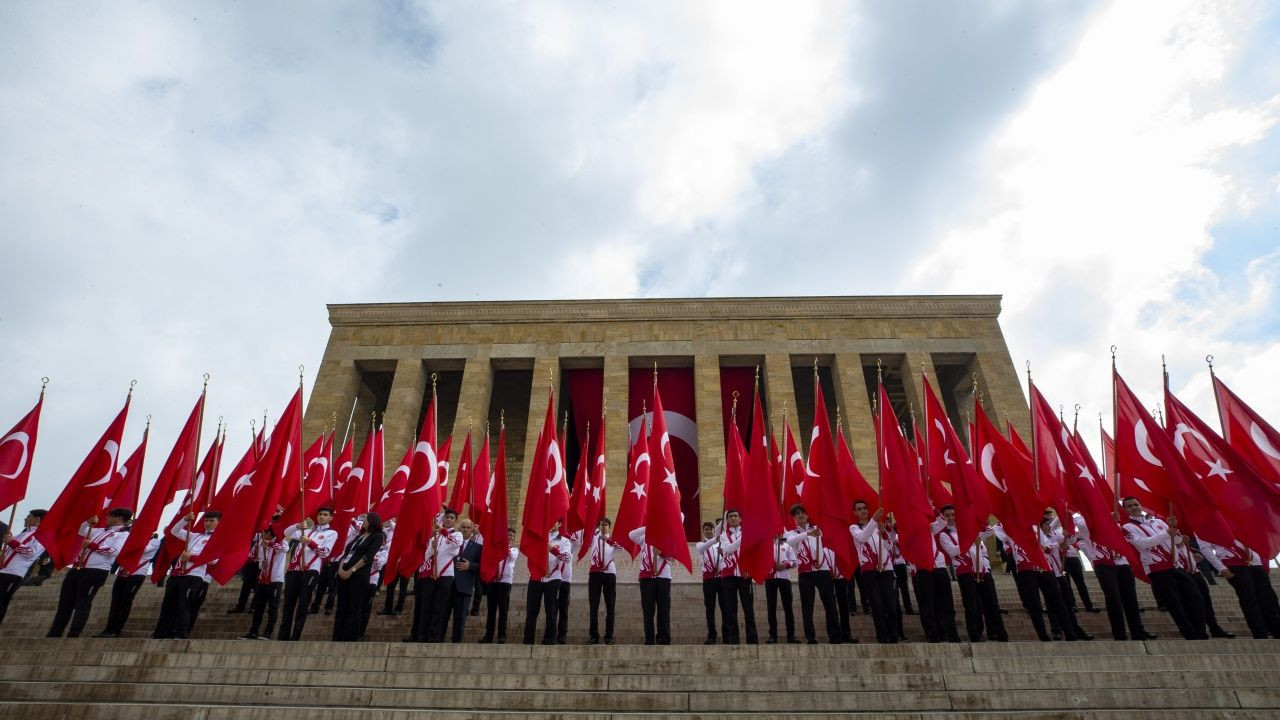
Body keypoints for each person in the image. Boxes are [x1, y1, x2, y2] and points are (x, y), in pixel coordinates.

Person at [1120, 498, 1207, 640]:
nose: (1134, 507)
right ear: (1125, 510)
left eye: (1136, 504)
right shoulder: (1127, 527)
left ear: (1141, 505)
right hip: (1157, 569)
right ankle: (1190, 633)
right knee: (1175, 603)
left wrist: (1176, 529)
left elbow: (1177, 542)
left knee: (1195, 598)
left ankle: (1200, 630)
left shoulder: (1158, 522)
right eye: (1129, 506)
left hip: (1176, 565)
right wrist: (1167, 533)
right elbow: (1143, 544)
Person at [47, 509, 131, 638]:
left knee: (83, 603)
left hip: (96, 571)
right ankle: (54, 633)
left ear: (118, 518)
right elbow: (82, 530)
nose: (107, 518)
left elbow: (115, 551)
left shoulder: (123, 535)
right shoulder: (98, 530)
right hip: (77, 568)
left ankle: (73, 634)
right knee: (65, 603)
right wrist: (88, 522)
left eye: (110, 516)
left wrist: (93, 546)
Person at [936, 507, 1007, 643]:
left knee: (991, 602)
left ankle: (999, 632)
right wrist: (969, 540)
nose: (951, 517)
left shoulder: (970, 529)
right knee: (971, 604)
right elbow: (952, 551)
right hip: (964, 571)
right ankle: (975, 634)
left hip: (982, 569)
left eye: (953, 514)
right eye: (948, 515)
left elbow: (989, 532)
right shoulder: (944, 535)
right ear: (944, 518)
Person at [1077, 515, 1152, 641]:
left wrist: (1112, 521)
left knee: (1130, 598)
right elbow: (1084, 525)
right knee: (1113, 598)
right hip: (1103, 563)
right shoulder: (1082, 521)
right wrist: (1104, 517)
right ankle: (1119, 634)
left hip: (1122, 562)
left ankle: (1138, 631)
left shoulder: (1114, 522)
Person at [153, 511, 219, 639]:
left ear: (218, 523)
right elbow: (174, 531)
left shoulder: (217, 540)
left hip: (193, 575)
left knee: (184, 605)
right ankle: (161, 632)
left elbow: (214, 560)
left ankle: (180, 632)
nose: (208, 523)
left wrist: (192, 557)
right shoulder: (195, 536)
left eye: (212, 521)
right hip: (177, 574)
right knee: (168, 604)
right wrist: (185, 519)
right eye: (206, 520)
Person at [1199, 536, 1280, 639]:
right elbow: (1205, 548)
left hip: (1253, 561)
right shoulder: (1206, 523)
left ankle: (1276, 629)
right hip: (1232, 561)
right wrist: (1221, 567)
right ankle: (1260, 632)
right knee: (1249, 597)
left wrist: (1259, 559)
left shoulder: (1239, 520)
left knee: (1269, 597)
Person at [785, 505, 842, 644]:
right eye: (797, 514)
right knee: (807, 606)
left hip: (823, 571)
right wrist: (808, 534)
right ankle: (810, 637)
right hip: (806, 573)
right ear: (794, 518)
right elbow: (791, 542)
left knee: (830, 604)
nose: (800, 515)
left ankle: (835, 635)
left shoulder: (818, 528)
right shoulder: (792, 533)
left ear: (807, 515)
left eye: (803, 513)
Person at [279, 507, 337, 641]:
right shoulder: (307, 530)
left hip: (311, 570)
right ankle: (283, 636)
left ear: (330, 518)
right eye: (320, 514)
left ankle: (295, 636)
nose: (322, 517)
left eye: (325, 515)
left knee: (303, 603)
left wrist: (311, 543)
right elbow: (286, 532)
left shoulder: (331, 533)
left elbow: (325, 553)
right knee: (288, 603)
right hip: (294, 570)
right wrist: (297, 526)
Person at [410, 508, 463, 643]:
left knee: (439, 608)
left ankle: (434, 637)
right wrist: (432, 547)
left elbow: (456, 545)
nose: (448, 520)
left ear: (455, 521)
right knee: (426, 606)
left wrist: (443, 531)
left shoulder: (457, 535)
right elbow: (427, 556)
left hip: (445, 575)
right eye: (447, 517)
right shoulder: (436, 536)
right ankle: (422, 636)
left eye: (451, 518)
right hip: (430, 574)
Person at [97, 530, 161, 638]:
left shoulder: (155, 541)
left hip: (137, 574)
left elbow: (143, 550)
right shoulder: (129, 539)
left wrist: (135, 540)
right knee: (115, 602)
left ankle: (116, 629)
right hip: (123, 572)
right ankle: (108, 628)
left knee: (125, 602)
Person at [850, 503, 899, 644]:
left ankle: (893, 635)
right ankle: (882, 638)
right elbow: (863, 538)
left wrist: (883, 531)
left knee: (891, 605)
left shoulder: (877, 526)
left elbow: (889, 546)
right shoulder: (854, 528)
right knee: (877, 605)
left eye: (865, 508)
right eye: (859, 509)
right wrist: (874, 520)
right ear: (855, 513)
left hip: (886, 569)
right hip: (869, 571)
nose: (863, 511)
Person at [1039, 516, 1091, 640]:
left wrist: (1068, 535)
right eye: (1047, 524)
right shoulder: (1037, 536)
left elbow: (1070, 541)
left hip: (1059, 572)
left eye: (1050, 524)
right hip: (1047, 574)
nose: (1050, 526)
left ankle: (1075, 628)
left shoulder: (1054, 534)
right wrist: (1059, 544)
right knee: (1052, 603)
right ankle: (1056, 630)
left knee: (1067, 602)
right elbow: (1046, 548)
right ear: (1040, 527)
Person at [335, 512, 384, 642]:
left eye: (365, 519)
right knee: (342, 605)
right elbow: (347, 553)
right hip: (344, 571)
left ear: (372, 521)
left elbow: (368, 556)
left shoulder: (377, 536)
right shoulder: (359, 536)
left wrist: (352, 570)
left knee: (354, 606)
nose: (363, 521)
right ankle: (338, 635)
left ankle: (350, 636)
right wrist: (341, 568)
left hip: (359, 574)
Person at [523, 519, 569, 646]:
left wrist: (552, 549)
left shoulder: (564, 541)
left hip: (553, 577)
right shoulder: (538, 538)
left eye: (554, 520)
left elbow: (567, 558)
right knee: (532, 610)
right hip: (536, 577)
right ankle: (528, 640)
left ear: (560, 524)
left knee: (551, 609)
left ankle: (550, 640)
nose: (550, 522)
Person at [716, 510, 759, 645]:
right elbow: (727, 549)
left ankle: (752, 639)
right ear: (727, 520)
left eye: (735, 516)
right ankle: (733, 640)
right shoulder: (723, 535)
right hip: (728, 575)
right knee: (730, 609)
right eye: (730, 517)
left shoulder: (748, 533)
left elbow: (753, 552)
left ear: (740, 519)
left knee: (748, 608)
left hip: (744, 574)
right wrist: (743, 539)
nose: (733, 518)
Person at [0, 509, 46, 627]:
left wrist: (12, 542)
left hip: (13, 573)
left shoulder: (41, 536)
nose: (25, 519)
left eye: (29, 516)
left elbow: (31, 553)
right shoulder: (21, 534)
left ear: (37, 519)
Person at [241, 526, 287, 640]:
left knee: (273, 607)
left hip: (275, 579)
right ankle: (253, 632)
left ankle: (268, 632)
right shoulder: (259, 542)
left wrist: (269, 544)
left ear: (271, 533)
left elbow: (284, 549)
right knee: (258, 607)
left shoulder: (282, 541)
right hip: (262, 579)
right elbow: (251, 555)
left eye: (264, 532)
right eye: (262, 532)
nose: (262, 534)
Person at [628, 526, 671, 645]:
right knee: (648, 610)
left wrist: (661, 553)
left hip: (663, 576)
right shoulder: (643, 537)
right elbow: (631, 535)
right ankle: (649, 639)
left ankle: (664, 638)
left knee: (664, 609)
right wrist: (650, 525)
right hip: (646, 577)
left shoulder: (667, 535)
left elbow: (672, 557)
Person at [446, 518, 482, 643]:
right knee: (441, 616)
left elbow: (482, 566)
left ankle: (456, 643)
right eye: (463, 526)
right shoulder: (450, 543)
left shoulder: (477, 547)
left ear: (472, 530)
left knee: (460, 619)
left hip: (464, 586)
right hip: (447, 584)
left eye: (468, 527)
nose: (465, 529)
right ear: (459, 528)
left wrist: (470, 566)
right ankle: (437, 640)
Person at [479, 527, 517, 644]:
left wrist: (501, 544)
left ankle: (502, 635)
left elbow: (510, 555)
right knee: (491, 610)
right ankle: (488, 635)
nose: (509, 537)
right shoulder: (494, 550)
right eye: (508, 535)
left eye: (511, 536)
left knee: (503, 609)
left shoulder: (514, 550)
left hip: (505, 582)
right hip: (493, 580)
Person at [586, 518, 618, 645]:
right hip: (595, 573)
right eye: (601, 525)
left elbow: (620, 547)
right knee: (594, 605)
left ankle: (609, 635)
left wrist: (608, 540)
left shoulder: (613, 539)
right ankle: (594, 635)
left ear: (609, 527)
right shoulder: (593, 537)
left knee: (610, 605)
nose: (603, 527)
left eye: (606, 525)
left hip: (609, 573)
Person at [1060, 513, 1099, 614]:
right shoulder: (1053, 530)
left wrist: (1067, 535)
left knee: (1081, 583)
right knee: (1066, 583)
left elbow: (1073, 540)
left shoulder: (1065, 527)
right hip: (1062, 559)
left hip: (1073, 557)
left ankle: (1088, 605)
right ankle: (1072, 604)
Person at [764, 535, 798, 644]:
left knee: (788, 607)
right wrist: (774, 565)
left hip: (784, 578)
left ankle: (791, 635)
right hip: (770, 578)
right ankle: (772, 635)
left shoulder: (787, 546)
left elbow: (794, 562)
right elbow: (762, 560)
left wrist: (784, 565)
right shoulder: (766, 546)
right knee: (771, 607)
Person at [695, 521, 722, 644]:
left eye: (711, 529)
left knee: (725, 607)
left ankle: (727, 634)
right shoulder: (700, 544)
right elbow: (702, 548)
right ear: (703, 531)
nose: (709, 531)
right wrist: (716, 539)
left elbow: (724, 559)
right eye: (707, 529)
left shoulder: (720, 544)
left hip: (721, 578)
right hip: (708, 579)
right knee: (710, 608)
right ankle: (712, 635)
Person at [377, 518, 409, 617]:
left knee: (403, 588)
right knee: (390, 587)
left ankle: (399, 608)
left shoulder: (408, 533)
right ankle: (387, 608)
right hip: (394, 564)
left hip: (405, 564)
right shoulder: (392, 533)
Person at [555, 528, 582, 644]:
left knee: (563, 609)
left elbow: (576, 542)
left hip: (565, 580)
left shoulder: (570, 546)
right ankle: (551, 633)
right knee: (552, 608)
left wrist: (565, 533)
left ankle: (562, 635)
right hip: (553, 578)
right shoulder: (554, 542)